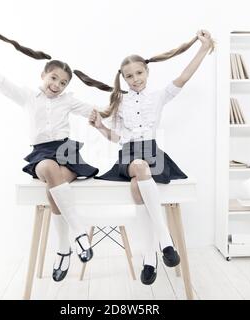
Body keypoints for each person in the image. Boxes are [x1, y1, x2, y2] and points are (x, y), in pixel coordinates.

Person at [76, 29, 214, 285]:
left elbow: (184, 77)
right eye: (129, 76)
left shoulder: (159, 96)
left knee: (137, 188)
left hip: (152, 152)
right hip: (130, 155)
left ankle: (149, 258)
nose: (135, 79)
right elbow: (117, 137)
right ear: (124, 78)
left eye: (139, 73)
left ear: (147, 72)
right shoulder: (119, 101)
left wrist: (203, 48)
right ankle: (166, 241)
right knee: (138, 167)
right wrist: (100, 128)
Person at [0, 27, 100, 282]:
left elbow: (95, 111)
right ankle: (78, 233)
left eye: (63, 82)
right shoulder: (27, 96)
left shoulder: (68, 100)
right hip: (42, 153)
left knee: (54, 189)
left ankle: (64, 250)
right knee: (48, 170)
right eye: (53, 78)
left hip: (66, 151)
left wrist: (116, 106)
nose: (57, 85)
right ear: (43, 74)